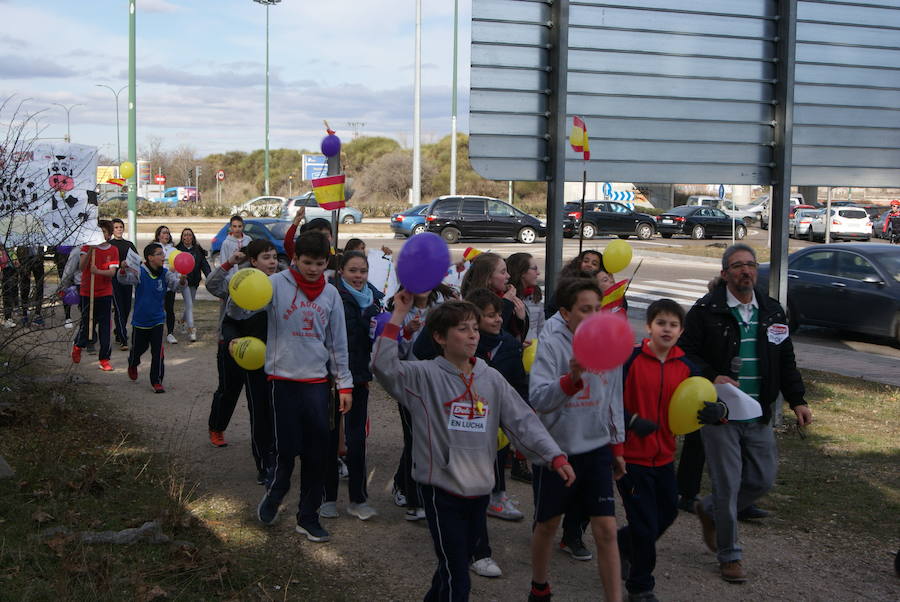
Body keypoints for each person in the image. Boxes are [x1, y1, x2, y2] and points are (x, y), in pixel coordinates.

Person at [372, 293, 574, 602]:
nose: (472, 335)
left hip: (479, 490)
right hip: (440, 489)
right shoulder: (423, 376)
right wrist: (398, 313)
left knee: (453, 566)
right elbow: (383, 366)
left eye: (474, 329)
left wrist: (553, 456)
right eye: (463, 329)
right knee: (457, 576)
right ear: (440, 336)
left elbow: (522, 420)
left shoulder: (490, 378)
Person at [679, 243, 812, 583]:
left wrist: (797, 399)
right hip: (720, 413)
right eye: (737, 266)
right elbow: (684, 355)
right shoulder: (706, 310)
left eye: (750, 265)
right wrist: (711, 375)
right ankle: (730, 556)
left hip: (758, 412)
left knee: (762, 479)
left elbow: (785, 360)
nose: (746, 271)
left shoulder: (771, 310)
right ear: (725, 274)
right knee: (727, 484)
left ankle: (709, 510)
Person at [240, 231, 352, 544]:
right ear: (295, 260)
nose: (314, 269)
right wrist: (237, 283)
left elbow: (337, 344)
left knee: (318, 453)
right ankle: (275, 494)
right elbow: (243, 307)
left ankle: (308, 516)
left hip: (317, 384)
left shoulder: (331, 295)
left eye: (320, 263)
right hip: (283, 381)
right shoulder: (275, 285)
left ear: (327, 262)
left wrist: (345, 385)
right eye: (307, 263)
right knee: (287, 449)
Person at [528, 277, 625, 602]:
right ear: (566, 314)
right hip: (556, 450)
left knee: (606, 529)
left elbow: (614, 397)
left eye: (598, 308)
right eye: (586, 310)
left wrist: (618, 445)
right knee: (547, 525)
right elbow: (539, 398)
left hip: (595, 447)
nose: (594, 315)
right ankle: (539, 586)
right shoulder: (552, 341)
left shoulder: (606, 341)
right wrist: (571, 380)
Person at [616, 299, 707, 600]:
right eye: (661, 323)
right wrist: (631, 420)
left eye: (673, 325)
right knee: (644, 524)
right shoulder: (629, 361)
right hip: (630, 459)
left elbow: (702, 402)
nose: (667, 329)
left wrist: (717, 411)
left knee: (666, 514)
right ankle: (641, 586)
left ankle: (624, 543)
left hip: (664, 457)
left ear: (681, 331)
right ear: (649, 326)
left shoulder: (687, 368)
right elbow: (607, 401)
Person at [320, 250, 384, 522]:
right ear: (342, 272)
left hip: (359, 379)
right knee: (330, 440)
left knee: (357, 441)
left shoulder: (375, 300)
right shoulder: (332, 296)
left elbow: (373, 341)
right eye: (353, 271)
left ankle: (358, 499)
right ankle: (328, 498)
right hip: (333, 380)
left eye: (362, 271)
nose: (358, 276)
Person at [385, 283, 456, 521]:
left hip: (436, 383)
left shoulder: (442, 307)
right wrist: (406, 332)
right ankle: (415, 501)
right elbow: (391, 353)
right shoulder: (399, 308)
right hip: (409, 384)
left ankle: (401, 483)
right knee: (415, 438)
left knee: (426, 438)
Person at [215, 239, 281, 481]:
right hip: (255, 363)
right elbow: (230, 321)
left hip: (284, 361)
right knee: (261, 414)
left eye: (274, 256)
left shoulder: (286, 283)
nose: (272, 261)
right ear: (253, 261)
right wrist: (232, 340)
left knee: (280, 413)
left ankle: (281, 456)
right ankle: (265, 464)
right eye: (266, 257)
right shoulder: (243, 285)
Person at [117, 243, 185, 393]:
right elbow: (123, 280)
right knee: (138, 349)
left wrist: (182, 281)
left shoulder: (165, 273)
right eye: (159, 254)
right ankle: (133, 363)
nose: (163, 257)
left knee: (158, 352)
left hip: (158, 320)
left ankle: (156, 381)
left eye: (163, 254)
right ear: (150, 258)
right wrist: (122, 269)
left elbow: (176, 287)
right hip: (140, 321)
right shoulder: (140, 272)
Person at [72, 221, 118, 371]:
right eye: (99, 231)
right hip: (87, 292)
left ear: (109, 235)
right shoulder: (87, 247)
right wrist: (91, 250)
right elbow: (81, 266)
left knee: (105, 327)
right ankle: (78, 346)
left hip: (105, 293)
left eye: (105, 232)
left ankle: (104, 358)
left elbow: (112, 272)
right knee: (86, 324)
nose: (102, 234)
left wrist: (97, 271)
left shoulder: (113, 250)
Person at [460, 252, 529, 343]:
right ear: (488, 278)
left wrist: (521, 319)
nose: (508, 276)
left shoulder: (504, 294)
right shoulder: (476, 302)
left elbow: (514, 334)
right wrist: (506, 303)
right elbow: (493, 333)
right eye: (503, 272)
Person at [175, 227, 212, 342]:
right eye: (185, 235)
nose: (187, 237)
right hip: (183, 282)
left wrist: (210, 277)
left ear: (193, 237)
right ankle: (192, 330)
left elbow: (204, 265)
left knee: (189, 304)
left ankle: (182, 321)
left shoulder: (197, 250)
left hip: (194, 281)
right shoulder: (177, 250)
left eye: (189, 235)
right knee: (190, 304)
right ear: (182, 238)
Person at [109, 219, 137, 349]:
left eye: (121, 227)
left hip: (127, 280)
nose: (119, 229)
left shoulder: (129, 244)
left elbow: (136, 260)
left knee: (126, 308)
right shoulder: (110, 245)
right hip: (114, 280)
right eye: (116, 227)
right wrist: (119, 264)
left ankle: (118, 331)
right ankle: (123, 338)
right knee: (119, 308)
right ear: (112, 230)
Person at [153, 225, 179, 344]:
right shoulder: (154, 248)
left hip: (170, 285)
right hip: (157, 284)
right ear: (158, 235)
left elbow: (179, 264)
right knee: (156, 309)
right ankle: (154, 332)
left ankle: (170, 333)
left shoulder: (173, 250)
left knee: (169, 309)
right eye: (163, 233)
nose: (166, 235)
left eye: (168, 233)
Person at [15, 244, 45, 327]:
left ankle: (37, 314)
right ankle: (24, 314)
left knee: (39, 287)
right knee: (24, 288)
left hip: (38, 258)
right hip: (24, 259)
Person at [0, 246, 18, 328]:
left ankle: (8, 317)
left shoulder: (9, 247)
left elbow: (15, 261)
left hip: (10, 270)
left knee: (9, 294)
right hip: (5, 270)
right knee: (7, 294)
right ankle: (7, 317)